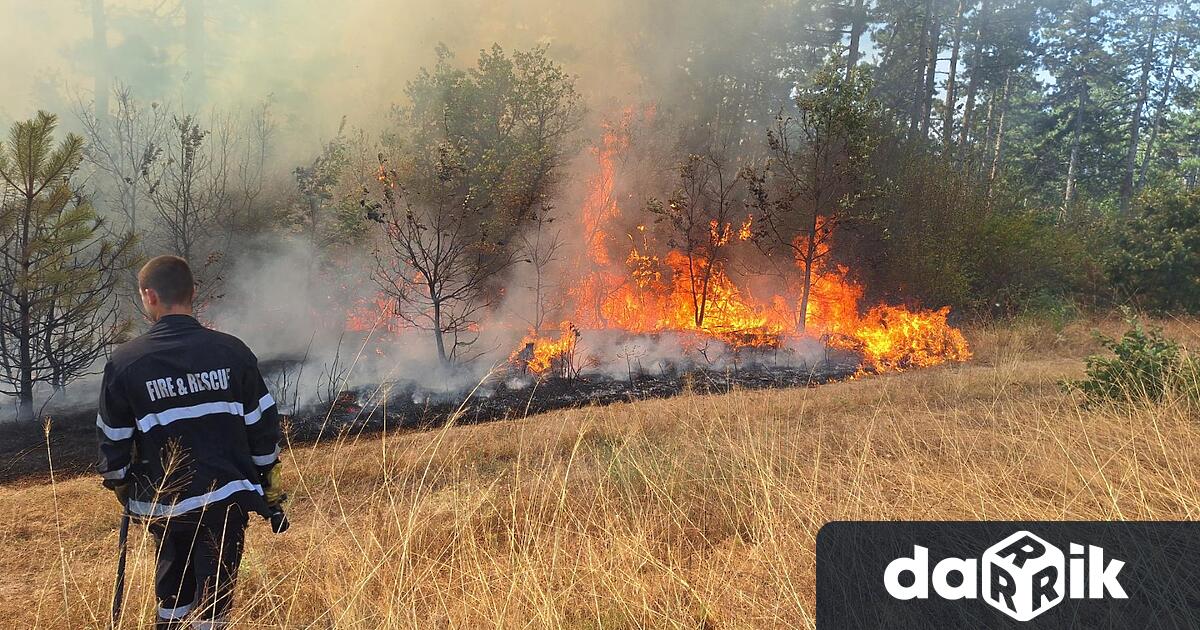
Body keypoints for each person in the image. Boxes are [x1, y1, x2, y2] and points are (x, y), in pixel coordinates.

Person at [96, 255, 286, 629]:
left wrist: (120, 481)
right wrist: (268, 480)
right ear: (193, 293)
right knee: (216, 595)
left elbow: (113, 440)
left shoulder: (125, 362)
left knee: (173, 588)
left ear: (149, 296)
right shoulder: (233, 352)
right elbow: (262, 428)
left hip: (164, 503)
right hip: (225, 498)